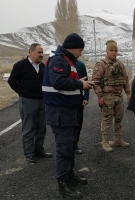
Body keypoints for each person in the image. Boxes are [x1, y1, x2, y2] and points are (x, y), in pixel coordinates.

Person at [42, 33, 94, 199]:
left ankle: (70, 176)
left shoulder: (67, 60)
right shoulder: (59, 59)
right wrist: (80, 84)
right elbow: (57, 81)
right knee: (64, 148)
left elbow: (65, 81)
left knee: (70, 146)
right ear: (72, 48)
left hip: (68, 111)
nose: (81, 53)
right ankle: (62, 184)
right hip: (60, 112)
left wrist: (81, 81)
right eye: (80, 50)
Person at [8, 43, 52, 163]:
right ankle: (29, 152)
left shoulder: (43, 67)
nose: (41, 55)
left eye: (42, 52)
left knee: (41, 127)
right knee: (29, 127)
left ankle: (39, 149)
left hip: (42, 101)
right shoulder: (20, 65)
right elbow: (12, 81)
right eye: (39, 52)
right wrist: (22, 93)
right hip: (28, 101)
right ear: (31, 52)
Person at [92, 40, 131, 152]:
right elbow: (95, 81)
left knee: (118, 119)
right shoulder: (101, 65)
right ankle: (105, 142)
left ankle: (117, 139)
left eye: (115, 50)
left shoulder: (120, 64)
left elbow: (125, 80)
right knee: (107, 119)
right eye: (111, 50)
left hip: (119, 96)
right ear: (107, 51)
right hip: (107, 96)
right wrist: (100, 96)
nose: (113, 52)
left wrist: (128, 93)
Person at [74, 60, 89, 154]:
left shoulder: (80, 64)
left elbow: (86, 81)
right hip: (65, 99)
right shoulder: (62, 62)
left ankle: (75, 145)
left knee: (78, 123)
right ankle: (66, 146)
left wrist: (86, 97)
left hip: (78, 98)